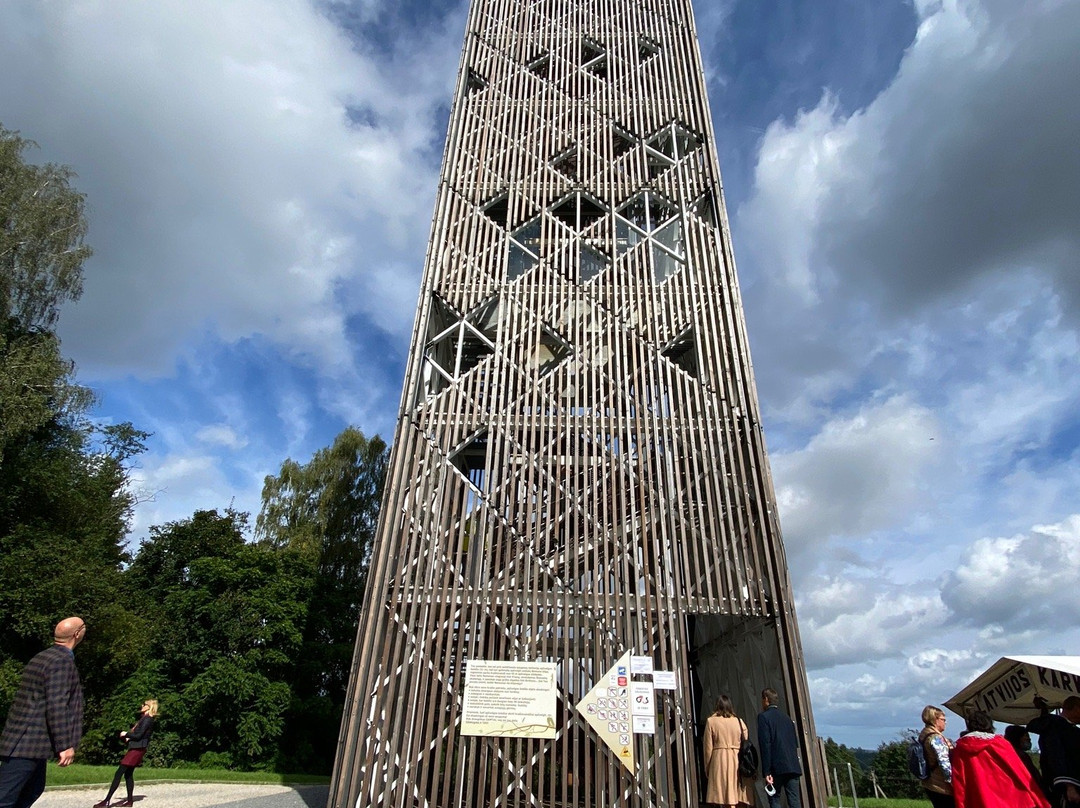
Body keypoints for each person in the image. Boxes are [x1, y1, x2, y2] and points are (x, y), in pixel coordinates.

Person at [0, 617, 86, 808]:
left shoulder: (43, 657)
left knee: (32, 790)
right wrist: (65, 744)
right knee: (5, 798)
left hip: (30, 741)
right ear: (77, 634)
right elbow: (57, 703)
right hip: (27, 742)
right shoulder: (61, 662)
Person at [951, 710, 1049, 808]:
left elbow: (959, 779)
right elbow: (1021, 772)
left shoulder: (961, 748)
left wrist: (961, 804)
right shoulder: (1000, 743)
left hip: (980, 797)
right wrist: (1038, 798)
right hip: (1010, 796)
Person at [93, 699, 158, 808]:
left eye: (144, 704)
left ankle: (107, 801)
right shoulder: (145, 718)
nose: (142, 706)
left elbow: (138, 736)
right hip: (137, 747)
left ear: (149, 707)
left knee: (119, 773)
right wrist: (129, 738)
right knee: (128, 774)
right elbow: (138, 734)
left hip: (137, 749)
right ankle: (129, 801)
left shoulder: (147, 719)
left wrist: (126, 734)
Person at [1027, 695, 1080, 806]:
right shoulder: (1055, 727)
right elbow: (1056, 756)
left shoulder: (1064, 727)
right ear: (1076, 708)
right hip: (1067, 788)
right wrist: (1069, 786)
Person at [703, 694, 753, 808]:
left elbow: (708, 748)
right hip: (736, 758)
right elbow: (745, 739)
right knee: (735, 792)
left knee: (721, 794)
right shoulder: (739, 721)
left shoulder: (711, 721)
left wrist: (707, 768)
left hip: (719, 759)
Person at [757, 687, 802, 808]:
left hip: (776, 767)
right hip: (792, 765)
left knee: (775, 799)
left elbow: (765, 745)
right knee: (794, 800)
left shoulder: (764, 717)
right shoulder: (788, 719)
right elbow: (795, 743)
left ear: (766, 699)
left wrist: (767, 771)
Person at [918, 705, 956, 808]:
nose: (945, 722)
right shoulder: (936, 738)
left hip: (930, 782)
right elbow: (944, 763)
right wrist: (954, 784)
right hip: (940, 786)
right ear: (935, 720)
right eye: (943, 719)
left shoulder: (924, 734)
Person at [1004, 724, 1046, 801]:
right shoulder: (1020, 756)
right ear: (1017, 738)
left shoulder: (1007, 753)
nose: (1029, 739)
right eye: (1026, 736)